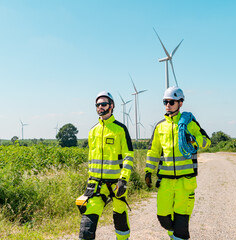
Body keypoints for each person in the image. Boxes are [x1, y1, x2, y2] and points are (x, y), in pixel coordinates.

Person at [144, 86, 210, 240]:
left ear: (180, 103)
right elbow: (153, 152)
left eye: (171, 102)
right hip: (165, 181)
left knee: (181, 223)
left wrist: (193, 140)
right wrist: (148, 170)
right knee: (163, 217)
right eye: (165, 102)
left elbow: (206, 142)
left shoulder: (190, 123)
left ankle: (179, 234)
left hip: (185, 181)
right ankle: (175, 233)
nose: (168, 105)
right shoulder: (160, 126)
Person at [78, 91, 134, 240]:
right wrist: (90, 180)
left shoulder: (120, 129)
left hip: (117, 183)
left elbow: (129, 155)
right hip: (96, 184)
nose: (100, 107)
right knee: (87, 222)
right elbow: (92, 159)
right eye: (98, 105)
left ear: (112, 106)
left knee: (120, 216)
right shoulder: (93, 131)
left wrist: (123, 179)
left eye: (103, 104)